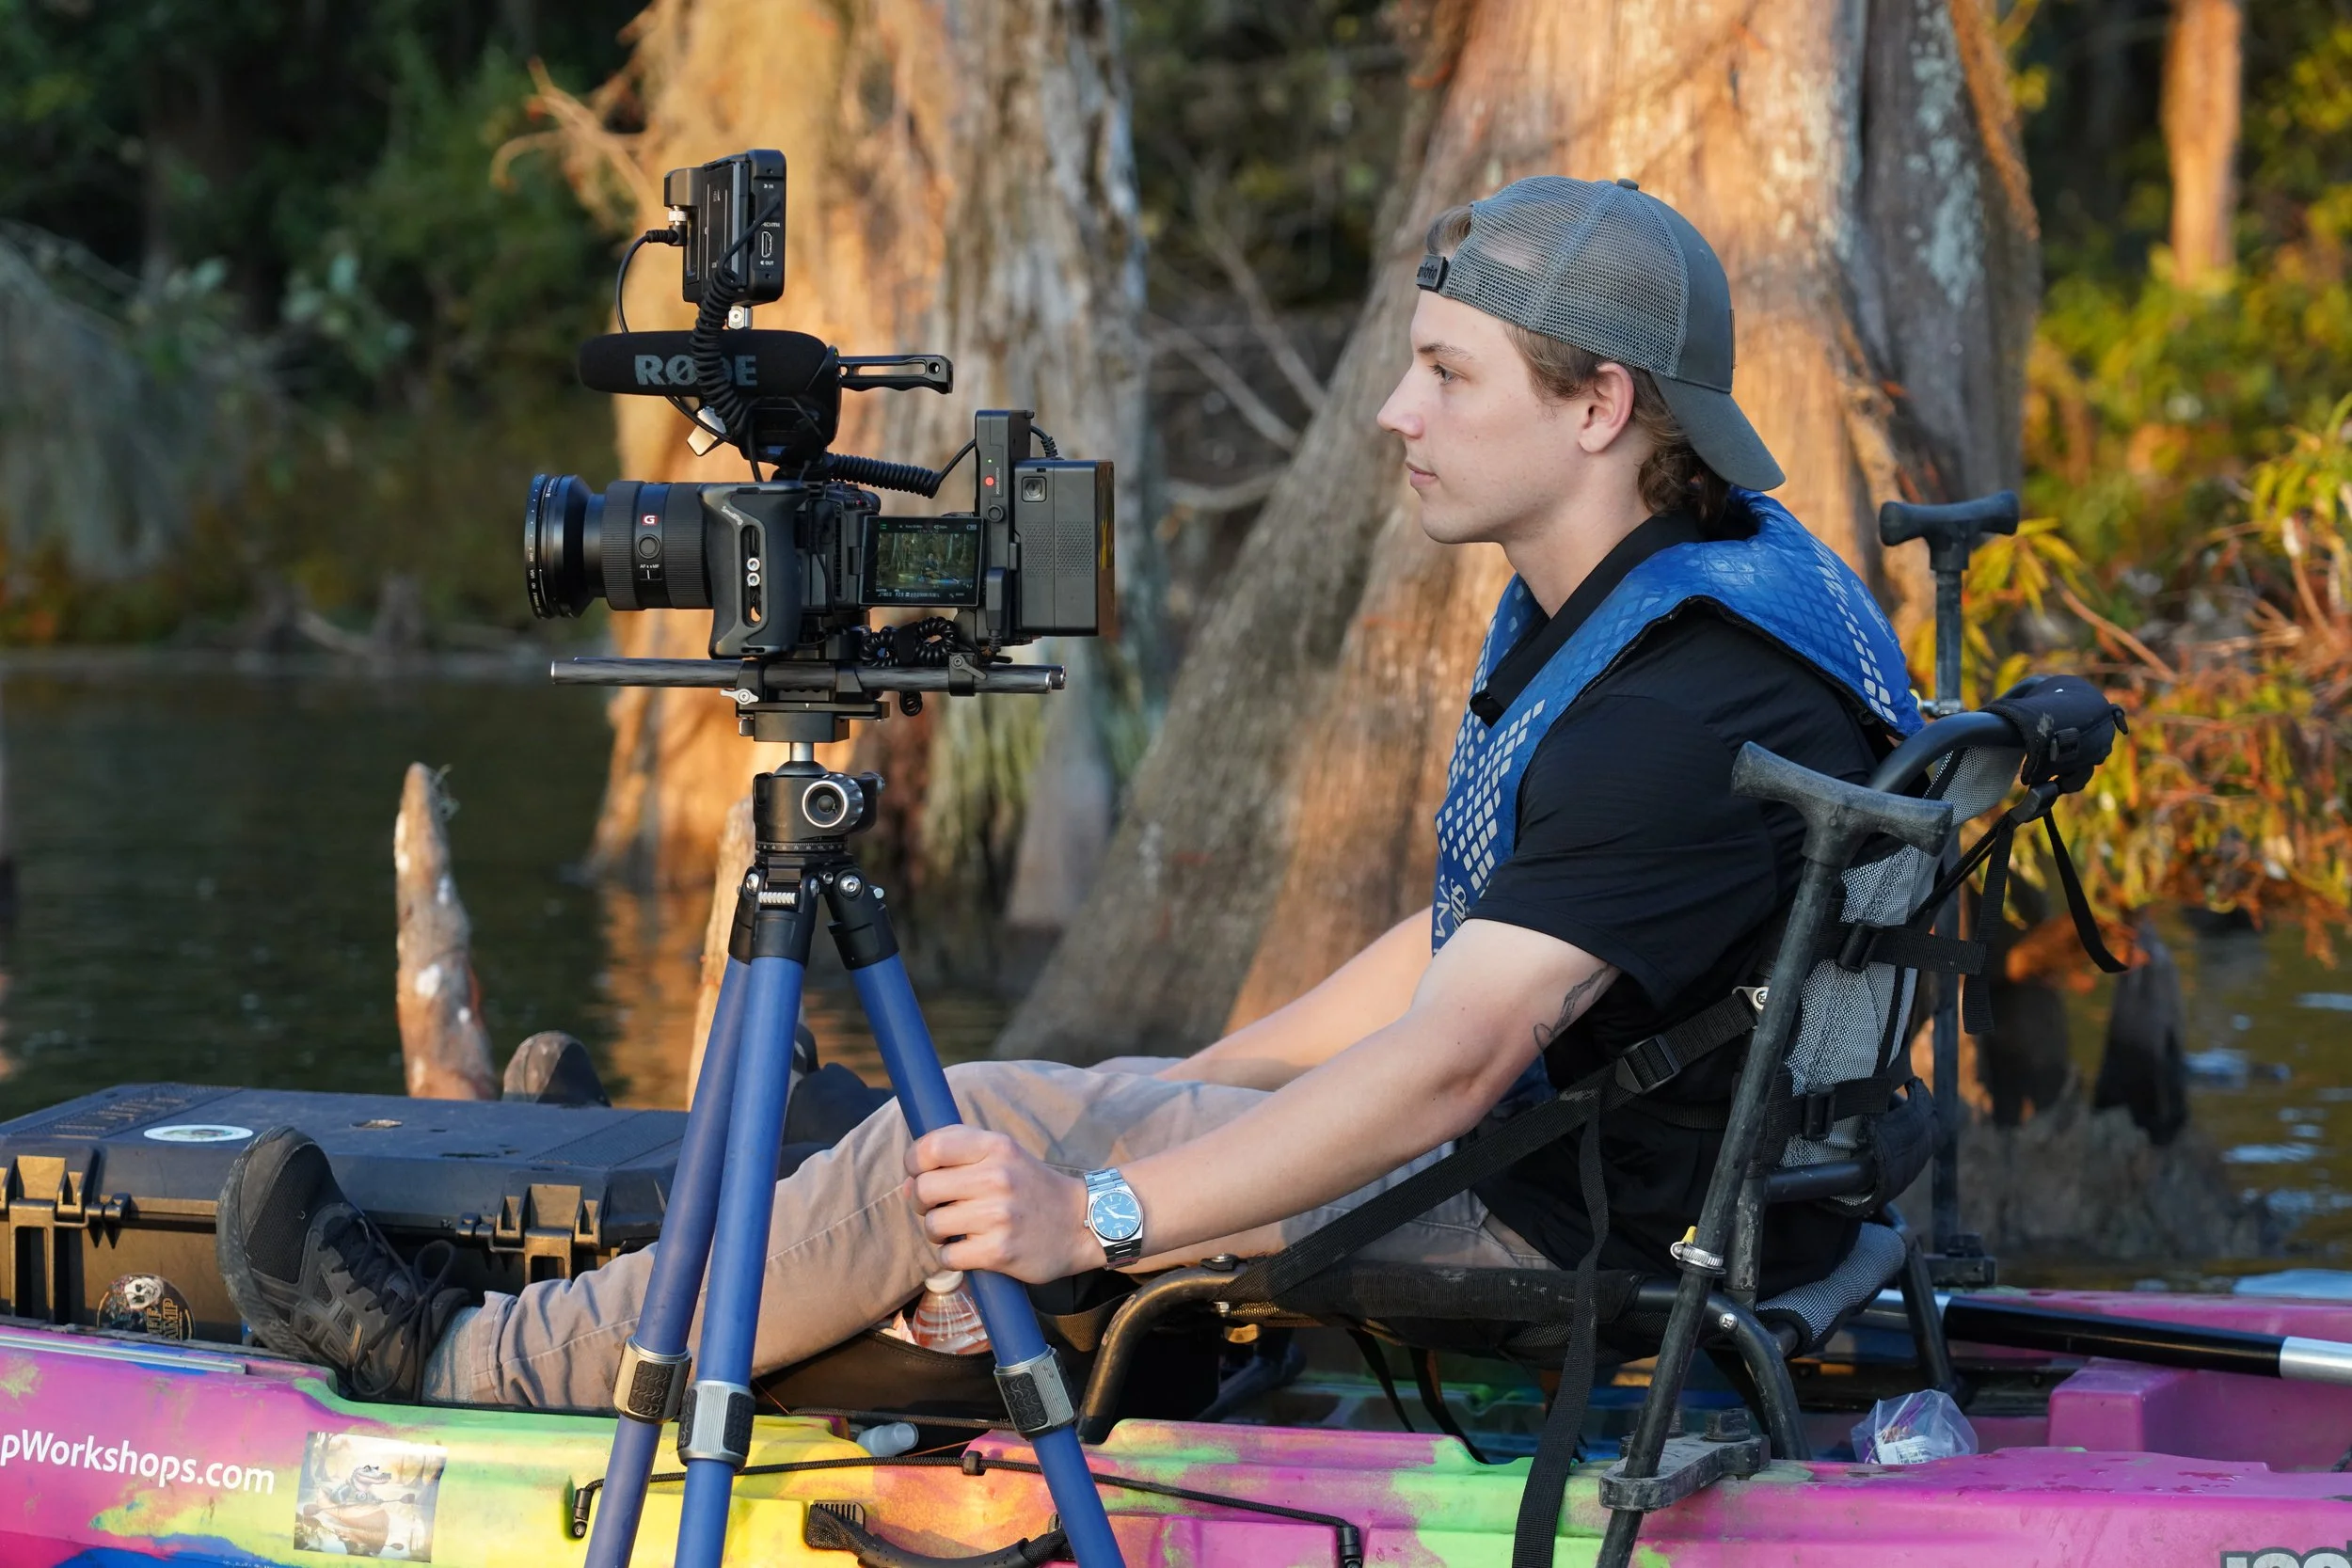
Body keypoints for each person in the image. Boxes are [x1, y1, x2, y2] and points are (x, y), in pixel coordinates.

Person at [213, 175, 1922, 1409]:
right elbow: (1471, 940)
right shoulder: (1719, 582)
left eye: (1450, 374)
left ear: (1603, 404)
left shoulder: (1677, 703)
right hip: (1655, 1176)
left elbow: (1460, 1051)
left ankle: (450, 1357)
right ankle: (744, 1251)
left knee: (969, 1153)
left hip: (1563, 1221)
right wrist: (1186, 1086)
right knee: (1046, 1102)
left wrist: (1098, 1203)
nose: (1395, 413)